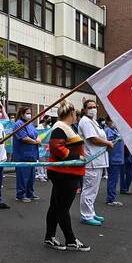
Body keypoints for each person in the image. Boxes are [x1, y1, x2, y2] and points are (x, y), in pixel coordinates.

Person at [43, 100, 90, 252]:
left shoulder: (66, 127)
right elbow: (56, 147)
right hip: (64, 173)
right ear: (71, 114)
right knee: (63, 207)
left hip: (66, 172)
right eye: (75, 113)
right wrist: (77, 157)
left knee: (56, 206)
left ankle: (50, 236)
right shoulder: (60, 127)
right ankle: (70, 239)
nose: (76, 116)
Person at [77, 100, 113, 226]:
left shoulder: (93, 121)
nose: (93, 109)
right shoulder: (85, 121)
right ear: (85, 109)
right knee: (89, 189)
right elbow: (92, 138)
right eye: (90, 107)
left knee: (94, 189)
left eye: (94, 107)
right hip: (91, 160)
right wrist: (108, 143)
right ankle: (86, 215)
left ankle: (90, 212)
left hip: (98, 160)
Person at [13, 107, 40, 202]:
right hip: (22, 154)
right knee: (23, 176)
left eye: (30, 113)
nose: (29, 115)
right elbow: (23, 138)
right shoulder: (18, 124)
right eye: (27, 113)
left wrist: (38, 139)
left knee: (31, 176)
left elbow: (37, 134)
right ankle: (20, 195)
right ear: (22, 114)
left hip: (32, 154)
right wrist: (35, 142)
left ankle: (30, 193)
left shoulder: (30, 124)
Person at [104, 117, 125, 206]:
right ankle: (110, 199)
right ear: (108, 121)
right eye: (113, 120)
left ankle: (111, 198)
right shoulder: (109, 130)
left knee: (114, 179)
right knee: (113, 179)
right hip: (113, 158)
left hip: (118, 158)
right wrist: (117, 139)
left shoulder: (115, 130)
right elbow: (109, 142)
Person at [35, 115, 51, 182]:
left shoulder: (49, 127)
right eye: (49, 119)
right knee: (41, 161)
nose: (50, 120)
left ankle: (45, 175)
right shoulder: (39, 127)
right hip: (41, 146)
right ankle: (40, 175)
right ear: (45, 119)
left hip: (47, 146)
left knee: (46, 161)